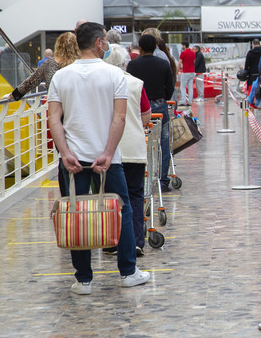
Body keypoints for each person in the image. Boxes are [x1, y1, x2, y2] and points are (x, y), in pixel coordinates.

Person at [48, 22, 151, 295]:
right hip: (109, 159)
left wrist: (65, 153)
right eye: (104, 39)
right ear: (98, 43)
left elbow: (54, 119)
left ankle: (83, 279)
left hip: (72, 161)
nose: (106, 43)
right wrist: (107, 153)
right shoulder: (113, 75)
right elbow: (119, 117)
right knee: (122, 210)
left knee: (75, 214)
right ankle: (128, 271)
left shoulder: (61, 77)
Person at [104, 42, 152, 256]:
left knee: (110, 196)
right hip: (133, 145)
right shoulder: (136, 84)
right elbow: (146, 117)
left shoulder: (102, 84)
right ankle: (136, 241)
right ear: (125, 62)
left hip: (108, 148)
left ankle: (112, 241)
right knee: (134, 194)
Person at [127, 34, 175, 192]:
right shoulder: (163, 64)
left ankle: (142, 177)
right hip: (160, 105)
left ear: (139, 48)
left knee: (141, 140)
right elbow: (170, 87)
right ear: (155, 47)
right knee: (163, 143)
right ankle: (163, 180)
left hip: (139, 107)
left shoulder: (132, 65)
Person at [3, 32, 79, 101]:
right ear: (76, 46)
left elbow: (31, 82)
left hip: (56, 105)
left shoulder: (49, 63)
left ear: (58, 46)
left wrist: (13, 95)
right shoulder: (80, 63)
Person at [178, 41, 196, 106]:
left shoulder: (183, 53)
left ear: (184, 46)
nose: (182, 47)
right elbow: (194, 62)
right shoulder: (193, 53)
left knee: (182, 87)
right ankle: (189, 102)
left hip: (185, 72)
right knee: (190, 87)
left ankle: (183, 101)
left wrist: (177, 70)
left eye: (182, 45)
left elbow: (179, 62)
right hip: (192, 72)